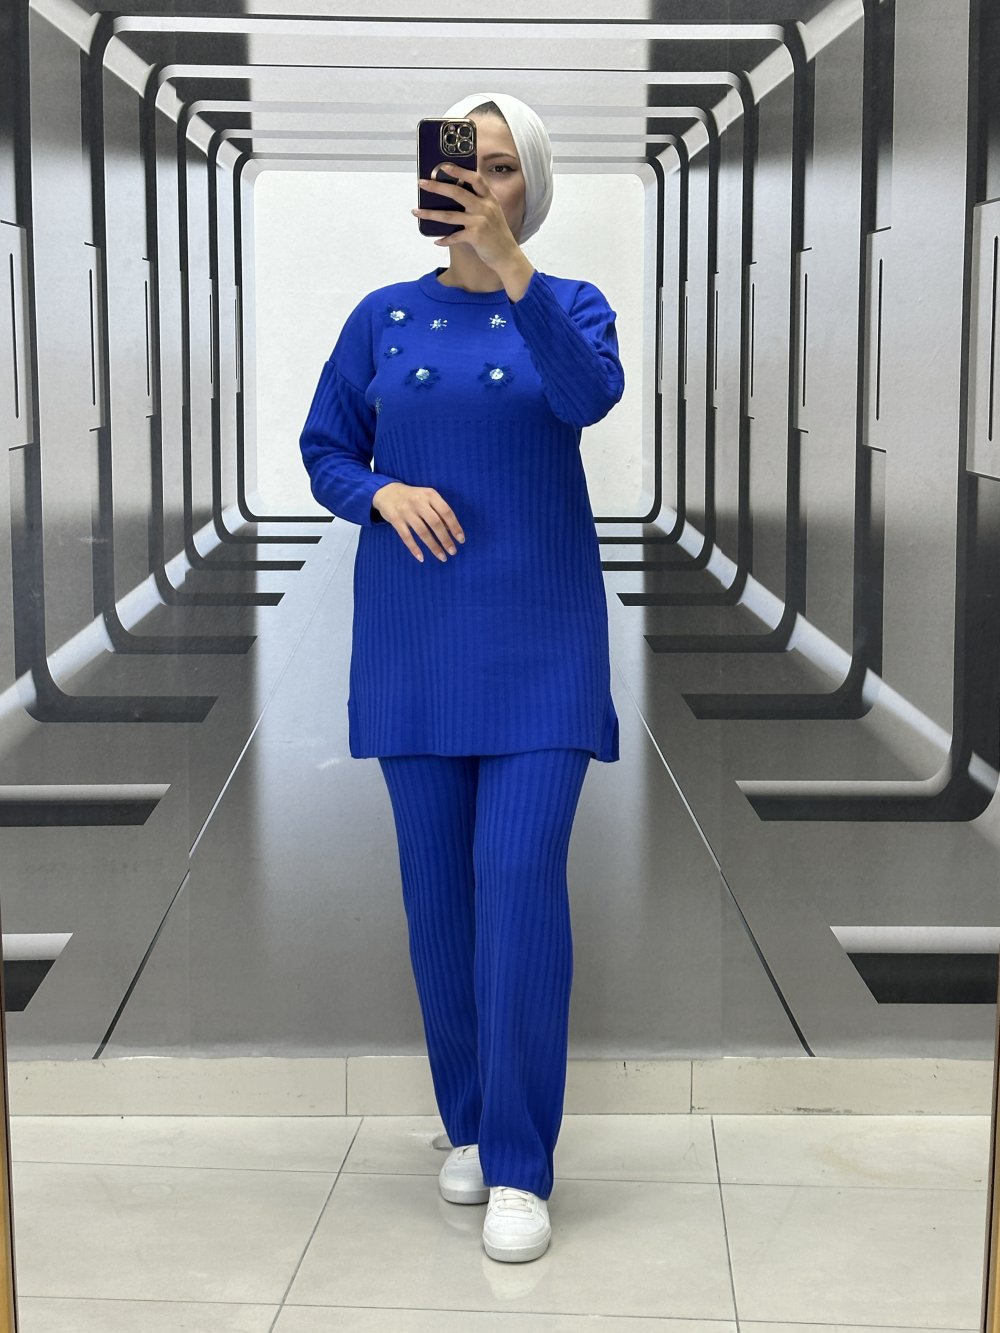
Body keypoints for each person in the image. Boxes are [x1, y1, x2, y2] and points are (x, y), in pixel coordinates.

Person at [298, 91, 625, 1263]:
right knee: (439, 901)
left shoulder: (570, 306)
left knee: (517, 883)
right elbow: (324, 448)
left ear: (530, 183)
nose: (478, 181)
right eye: (461, 162)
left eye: (500, 166)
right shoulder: (380, 318)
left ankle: (523, 1166)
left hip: (542, 644)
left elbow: (588, 397)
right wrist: (379, 491)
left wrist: (508, 263)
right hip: (416, 643)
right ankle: (474, 1124)